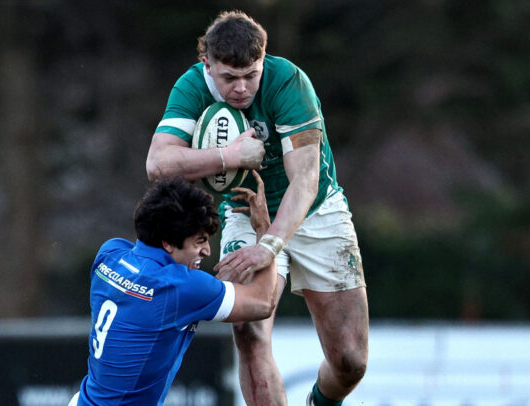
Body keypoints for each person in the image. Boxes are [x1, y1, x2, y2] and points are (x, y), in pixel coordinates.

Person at [145, 10, 368, 406]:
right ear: (207, 65)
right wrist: (228, 156)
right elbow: (157, 164)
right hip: (244, 212)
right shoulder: (192, 87)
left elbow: (305, 182)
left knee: (350, 361)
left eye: (251, 75)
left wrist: (270, 245)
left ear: (263, 60)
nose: (242, 88)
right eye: (229, 78)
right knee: (248, 331)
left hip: (317, 211)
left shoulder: (288, 82)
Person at [69, 173, 278, 406]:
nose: (207, 251)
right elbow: (263, 302)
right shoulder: (181, 287)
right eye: (200, 241)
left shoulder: (110, 253)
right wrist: (265, 232)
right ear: (167, 242)